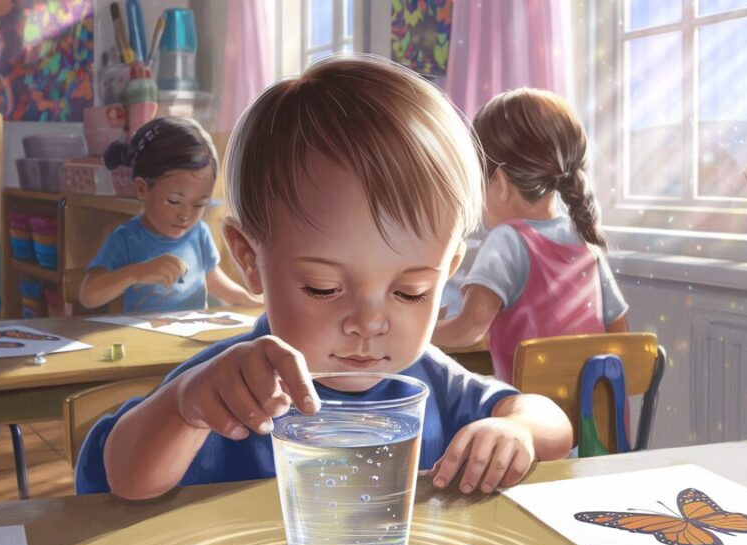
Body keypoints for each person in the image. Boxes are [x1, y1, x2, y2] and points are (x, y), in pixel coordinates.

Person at [75, 55, 572, 500]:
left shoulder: (429, 380)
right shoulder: (226, 384)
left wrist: (518, 432)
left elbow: (551, 423)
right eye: (323, 288)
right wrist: (185, 409)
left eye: (410, 292)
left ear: (447, 273)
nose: (368, 322)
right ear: (250, 260)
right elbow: (124, 477)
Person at [431, 88, 629, 382]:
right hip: (598, 423)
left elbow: (469, 330)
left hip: (531, 419)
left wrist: (422, 332)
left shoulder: (507, 240)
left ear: (499, 181)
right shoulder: (584, 239)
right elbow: (620, 330)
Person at [78, 116, 262, 312]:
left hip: (192, 334)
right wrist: (137, 273)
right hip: (145, 339)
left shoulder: (198, 233)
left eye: (199, 204)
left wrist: (248, 299)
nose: (185, 215)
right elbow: (88, 295)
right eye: (174, 201)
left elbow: (214, 280)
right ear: (141, 188)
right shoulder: (127, 238)